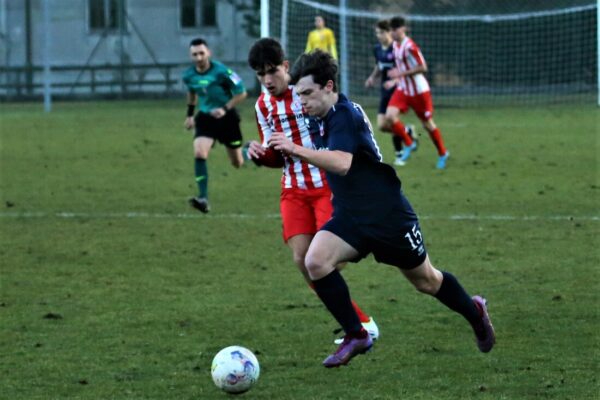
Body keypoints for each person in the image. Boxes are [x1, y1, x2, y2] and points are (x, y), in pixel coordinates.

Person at [269, 50, 495, 368]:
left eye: (307, 93)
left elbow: (342, 163)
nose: (301, 101)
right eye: (298, 94)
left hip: (387, 215)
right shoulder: (314, 115)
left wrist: (296, 149)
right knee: (315, 261)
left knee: (426, 281)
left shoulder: (344, 114)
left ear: (329, 86)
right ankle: (356, 334)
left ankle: (475, 313)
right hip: (350, 215)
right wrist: (266, 151)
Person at [246, 38, 378, 343]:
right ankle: (359, 324)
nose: (267, 80)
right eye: (260, 74)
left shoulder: (307, 92)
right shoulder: (261, 105)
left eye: (272, 71)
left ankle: (357, 322)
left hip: (325, 187)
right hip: (293, 190)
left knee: (331, 261)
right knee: (303, 261)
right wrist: (260, 155)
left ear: (286, 67)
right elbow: (275, 154)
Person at [182, 38, 248, 213]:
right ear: (191, 56)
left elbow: (242, 93)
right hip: (205, 117)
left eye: (201, 53)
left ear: (208, 53)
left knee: (237, 162)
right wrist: (190, 115)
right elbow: (192, 94)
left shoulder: (222, 72)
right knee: (199, 152)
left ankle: (248, 152)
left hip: (227, 118)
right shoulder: (189, 75)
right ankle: (203, 198)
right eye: (195, 54)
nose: (198, 57)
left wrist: (224, 108)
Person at [384, 16, 450, 169]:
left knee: (427, 124)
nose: (393, 33)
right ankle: (409, 143)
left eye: (395, 29)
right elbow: (401, 69)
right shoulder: (395, 45)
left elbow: (423, 67)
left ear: (403, 29)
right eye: (391, 30)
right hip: (403, 89)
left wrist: (399, 75)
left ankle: (442, 153)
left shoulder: (410, 47)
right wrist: (394, 80)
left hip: (419, 92)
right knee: (389, 116)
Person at [364, 19, 417, 166]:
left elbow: (404, 69)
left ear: (389, 32)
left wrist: (394, 81)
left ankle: (399, 154)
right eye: (377, 33)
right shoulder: (377, 49)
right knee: (381, 125)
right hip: (384, 89)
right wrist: (372, 78)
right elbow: (379, 66)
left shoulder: (397, 49)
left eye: (381, 32)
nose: (378, 35)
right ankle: (407, 131)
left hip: (398, 90)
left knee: (390, 119)